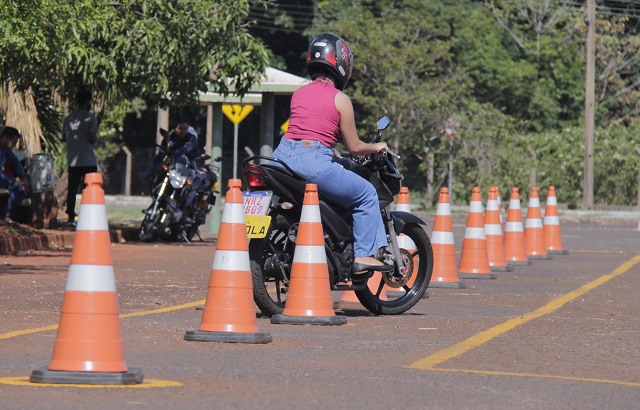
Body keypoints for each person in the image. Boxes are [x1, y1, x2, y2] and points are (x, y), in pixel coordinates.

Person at [271, 33, 393, 273]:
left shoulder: (299, 93)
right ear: (342, 64)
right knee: (367, 194)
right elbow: (355, 147)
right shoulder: (341, 99)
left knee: (342, 166)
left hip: (281, 158)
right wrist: (376, 146)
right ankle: (364, 256)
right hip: (313, 162)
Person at [62, 90, 99, 226]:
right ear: (88, 101)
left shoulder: (69, 118)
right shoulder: (90, 118)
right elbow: (93, 139)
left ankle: (70, 216)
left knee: (72, 189)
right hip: (88, 159)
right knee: (89, 189)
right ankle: (87, 215)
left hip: (73, 160)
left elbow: (63, 137)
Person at [0, 127, 28, 222]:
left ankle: (3, 213)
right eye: (14, 142)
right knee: (16, 186)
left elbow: (16, 162)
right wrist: (13, 179)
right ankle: (4, 215)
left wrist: (23, 178)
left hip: (2, 179)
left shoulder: (5, 150)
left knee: (27, 188)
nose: (14, 145)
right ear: (6, 139)